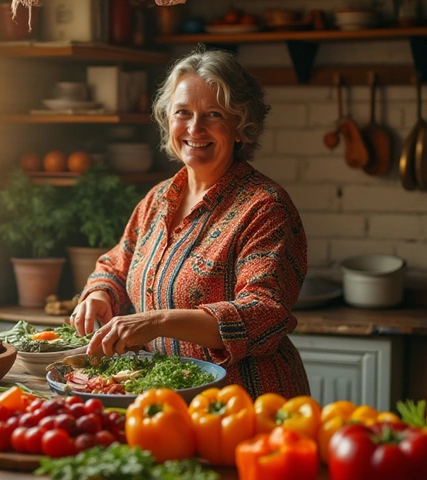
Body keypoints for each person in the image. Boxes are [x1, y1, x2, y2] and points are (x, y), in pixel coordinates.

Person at [69, 47, 309, 400]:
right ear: (169, 120)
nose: (195, 128)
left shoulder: (265, 208)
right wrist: (101, 293)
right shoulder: (158, 199)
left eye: (213, 114)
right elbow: (117, 265)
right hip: (169, 401)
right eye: (183, 113)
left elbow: (264, 313)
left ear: (241, 126)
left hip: (247, 404)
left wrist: (155, 322)